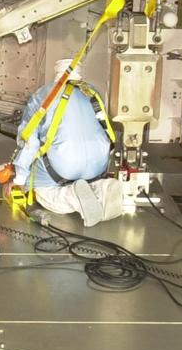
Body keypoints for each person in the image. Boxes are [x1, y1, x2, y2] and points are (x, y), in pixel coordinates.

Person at [11, 58, 117, 225]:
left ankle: (72, 197)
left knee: (43, 193)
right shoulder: (91, 91)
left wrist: (19, 180)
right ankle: (101, 189)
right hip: (98, 167)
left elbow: (29, 140)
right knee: (87, 176)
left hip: (63, 167)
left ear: (57, 71)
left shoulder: (43, 94)